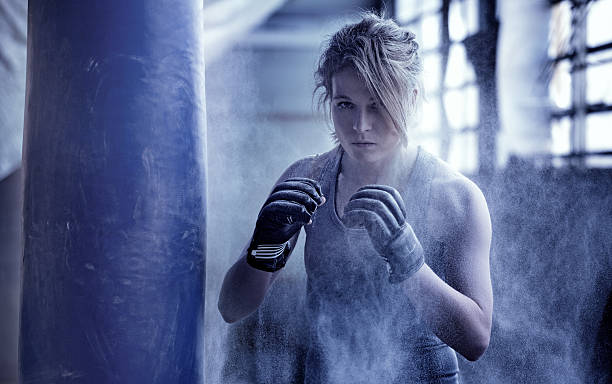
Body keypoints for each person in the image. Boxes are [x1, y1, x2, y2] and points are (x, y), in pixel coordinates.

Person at [218, 11, 492, 383]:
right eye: (345, 104)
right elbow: (232, 308)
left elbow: (476, 339)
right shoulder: (308, 178)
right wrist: (264, 249)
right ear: (328, 98)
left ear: (410, 99)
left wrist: (410, 262)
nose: (360, 125)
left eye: (377, 104)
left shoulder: (455, 198)